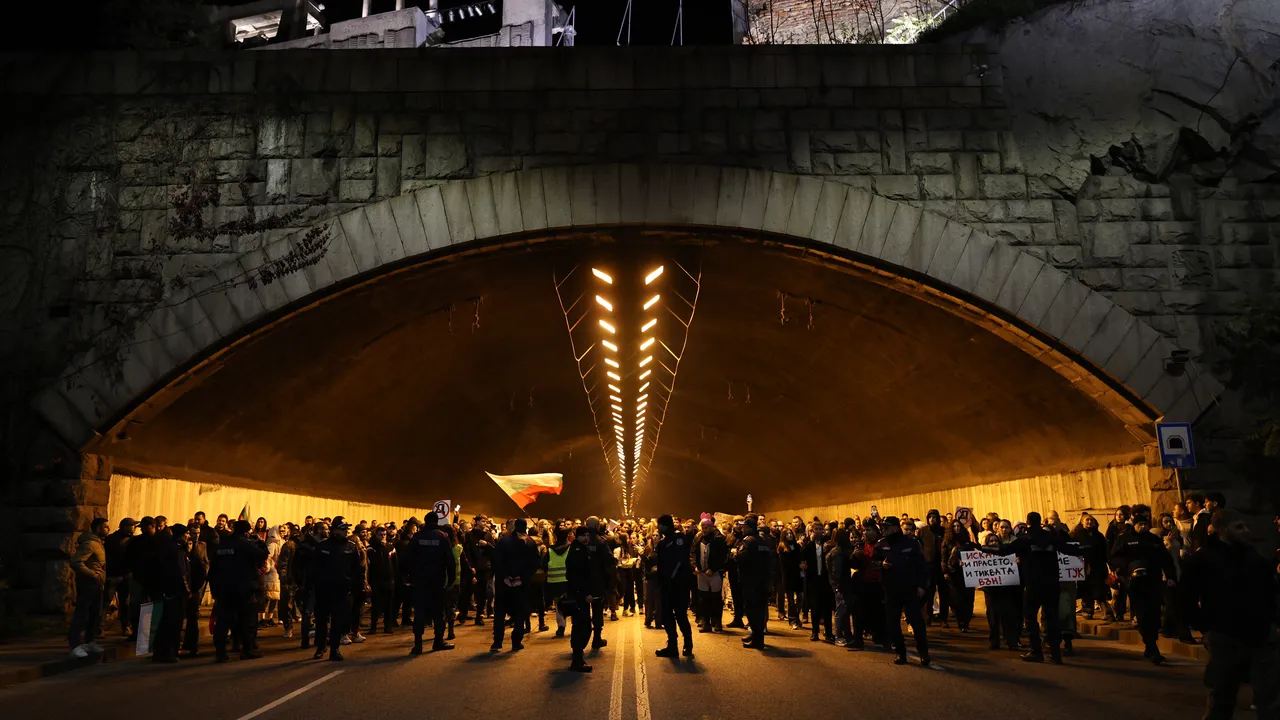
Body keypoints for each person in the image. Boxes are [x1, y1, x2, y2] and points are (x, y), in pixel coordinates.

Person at [1181, 508, 1279, 719]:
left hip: (1261, 635)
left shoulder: (1254, 557)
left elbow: (1270, 592)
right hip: (1225, 635)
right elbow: (1186, 597)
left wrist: (1273, 621)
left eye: (1246, 526)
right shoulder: (1204, 558)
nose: (1246, 531)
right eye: (1239, 527)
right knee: (1221, 698)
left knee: (1270, 697)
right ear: (1223, 530)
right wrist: (1204, 627)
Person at [980, 511, 1079, 664]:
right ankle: (1055, 654)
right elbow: (1070, 550)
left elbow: (1003, 551)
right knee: (1052, 618)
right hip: (1052, 584)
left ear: (1028, 523)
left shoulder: (1025, 539)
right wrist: (1089, 548)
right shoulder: (1051, 538)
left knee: (1030, 618)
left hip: (1033, 585)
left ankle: (1036, 651)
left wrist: (982, 548)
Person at [1111, 512, 1177, 664]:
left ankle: (1151, 645)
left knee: (1154, 612)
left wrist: (1171, 577)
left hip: (1153, 579)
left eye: (1145, 524)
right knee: (1142, 614)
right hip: (1134, 581)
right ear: (1134, 525)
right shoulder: (1125, 539)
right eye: (1140, 524)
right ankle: (1150, 645)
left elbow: (1165, 559)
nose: (1143, 527)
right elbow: (1114, 556)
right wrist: (1127, 567)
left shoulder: (1153, 540)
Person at [875, 516, 931, 666]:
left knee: (916, 622)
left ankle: (923, 652)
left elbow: (922, 566)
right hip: (891, 590)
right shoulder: (881, 544)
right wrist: (881, 564)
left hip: (910, 588)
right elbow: (873, 562)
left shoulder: (911, 543)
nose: (884, 530)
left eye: (886, 527)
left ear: (895, 528)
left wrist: (922, 586)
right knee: (893, 623)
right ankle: (900, 652)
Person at [209, 519, 268, 662]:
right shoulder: (245, 544)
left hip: (224, 588)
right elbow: (263, 554)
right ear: (247, 532)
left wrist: (215, 589)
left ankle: (220, 652)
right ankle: (247, 650)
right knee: (247, 620)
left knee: (223, 621)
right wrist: (260, 542)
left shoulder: (223, 544)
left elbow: (213, 568)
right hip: (243, 588)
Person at [407, 513, 456, 655]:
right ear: (437, 521)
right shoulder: (442, 536)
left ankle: (418, 645)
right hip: (437, 581)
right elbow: (450, 560)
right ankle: (438, 641)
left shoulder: (417, 537)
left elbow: (408, 557)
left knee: (420, 612)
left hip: (420, 581)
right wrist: (451, 579)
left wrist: (409, 576)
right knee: (438, 613)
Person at [313, 519, 360, 661]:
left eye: (346, 529)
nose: (345, 531)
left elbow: (357, 569)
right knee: (321, 621)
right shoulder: (323, 546)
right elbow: (314, 568)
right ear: (334, 530)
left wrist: (354, 586)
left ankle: (335, 649)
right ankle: (321, 647)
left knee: (338, 621)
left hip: (342, 591)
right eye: (342, 529)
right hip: (324, 590)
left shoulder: (351, 547)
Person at [491, 518, 538, 652]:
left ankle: (497, 642)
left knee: (500, 613)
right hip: (521, 584)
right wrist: (522, 578)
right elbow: (534, 564)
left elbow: (496, 560)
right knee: (519, 613)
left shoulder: (503, 541)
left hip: (503, 583)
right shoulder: (530, 542)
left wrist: (505, 576)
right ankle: (516, 642)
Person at [654, 514, 694, 657]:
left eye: (659, 525)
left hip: (679, 584)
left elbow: (681, 560)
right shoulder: (662, 543)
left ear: (664, 526)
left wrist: (671, 576)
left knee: (681, 614)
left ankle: (688, 645)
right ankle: (672, 646)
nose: (658, 528)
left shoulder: (679, 539)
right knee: (667, 615)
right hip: (666, 585)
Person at [68, 517, 109, 658]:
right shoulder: (90, 544)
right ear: (97, 528)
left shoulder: (99, 544)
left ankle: (89, 641)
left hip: (97, 584)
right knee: (82, 613)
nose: (108, 529)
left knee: (95, 614)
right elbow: (76, 562)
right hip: (88, 584)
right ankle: (75, 645)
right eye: (105, 527)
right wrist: (93, 574)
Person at [151, 524, 191, 664]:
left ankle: (161, 652)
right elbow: (181, 573)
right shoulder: (176, 550)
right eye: (186, 534)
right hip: (175, 592)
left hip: (168, 590)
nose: (188, 536)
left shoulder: (170, 548)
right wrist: (187, 589)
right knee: (173, 623)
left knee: (166, 621)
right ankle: (168, 652)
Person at [735, 515, 775, 650]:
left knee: (752, 611)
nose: (742, 529)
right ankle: (756, 636)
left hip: (751, 581)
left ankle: (758, 640)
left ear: (748, 528)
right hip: (762, 580)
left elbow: (742, 557)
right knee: (760, 610)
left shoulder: (749, 541)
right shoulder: (763, 540)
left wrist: (735, 554)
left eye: (744, 526)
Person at [564, 525, 596, 672]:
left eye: (588, 535)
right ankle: (577, 660)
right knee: (581, 626)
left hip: (578, 593)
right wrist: (586, 593)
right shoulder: (578, 551)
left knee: (582, 625)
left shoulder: (579, 549)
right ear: (578, 536)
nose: (586, 538)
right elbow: (579, 575)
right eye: (584, 535)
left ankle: (578, 657)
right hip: (579, 595)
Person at [694, 515, 728, 633]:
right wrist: (695, 566)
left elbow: (722, 556)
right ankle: (706, 622)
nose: (704, 529)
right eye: (703, 526)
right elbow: (693, 553)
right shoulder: (698, 538)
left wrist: (713, 569)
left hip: (714, 574)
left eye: (707, 527)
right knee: (703, 599)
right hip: (701, 573)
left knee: (716, 599)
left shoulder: (719, 539)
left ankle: (717, 622)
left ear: (711, 527)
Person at [103, 518, 136, 639]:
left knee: (125, 602)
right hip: (114, 575)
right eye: (133, 526)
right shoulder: (112, 539)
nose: (134, 528)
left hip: (126, 575)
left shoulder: (132, 540)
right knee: (106, 602)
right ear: (125, 527)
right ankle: (99, 627)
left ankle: (126, 626)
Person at [802, 522, 834, 642]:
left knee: (827, 607)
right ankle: (815, 632)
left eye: (821, 529)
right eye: (816, 529)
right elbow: (801, 556)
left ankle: (829, 633)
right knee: (814, 607)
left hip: (825, 580)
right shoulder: (809, 545)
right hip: (813, 580)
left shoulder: (828, 543)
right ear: (812, 531)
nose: (819, 531)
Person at [366, 525, 397, 635]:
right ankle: (373, 626)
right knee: (375, 605)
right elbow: (370, 564)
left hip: (389, 580)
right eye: (381, 535)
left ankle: (388, 626)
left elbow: (395, 564)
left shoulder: (391, 547)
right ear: (376, 535)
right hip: (376, 580)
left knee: (389, 605)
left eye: (384, 535)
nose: (383, 536)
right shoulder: (371, 548)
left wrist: (395, 578)